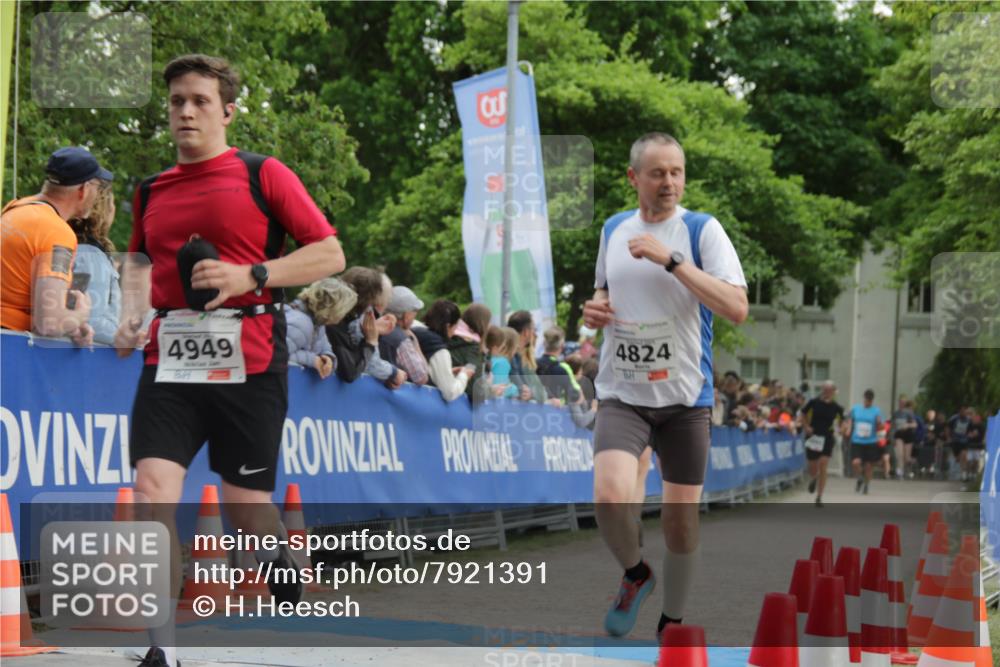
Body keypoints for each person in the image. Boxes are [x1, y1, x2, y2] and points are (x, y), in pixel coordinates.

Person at [115, 54, 345, 667]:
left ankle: (276, 558)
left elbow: (330, 254)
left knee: (246, 509)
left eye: (199, 101)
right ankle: (160, 649)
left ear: (227, 111)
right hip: (171, 358)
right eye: (176, 102)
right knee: (152, 487)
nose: (186, 111)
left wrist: (255, 273)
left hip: (250, 356)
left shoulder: (261, 173)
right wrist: (130, 316)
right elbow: (138, 265)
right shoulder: (152, 189)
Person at [582, 132, 748, 639]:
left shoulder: (703, 231)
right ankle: (636, 574)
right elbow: (600, 297)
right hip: (623, 393)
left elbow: (737, 307)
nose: (669, 182)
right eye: (657, 172)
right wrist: (592, 312)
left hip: (684, 400)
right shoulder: (613, 228)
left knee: (680, 524)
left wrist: (673, 262)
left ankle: (672, 621)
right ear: (634, 178)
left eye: (676, 171)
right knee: (610, 497)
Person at [1, 146, 112, 345]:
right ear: (83, 189)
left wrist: (69, 327)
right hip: (9, 345)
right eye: (97, 186)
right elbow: (48, 324)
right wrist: (80, 315)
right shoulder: (56, 232)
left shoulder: (15, 208)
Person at [67, 185, 121, 345]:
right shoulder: (90, 256)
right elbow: (93, 322)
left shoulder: (75, 247)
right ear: (105, 211)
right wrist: (127, 338)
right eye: (112, 204)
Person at [340, 267, 406, 390]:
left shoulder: (352, 317)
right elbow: (366, 365)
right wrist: (393, 373)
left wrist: (374, 328)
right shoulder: (354, 318)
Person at [285, 277, 356, 379]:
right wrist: (313, 360)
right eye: (345, 310)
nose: (344, 315)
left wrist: (328, 359)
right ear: (335, 309)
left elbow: (325, 348)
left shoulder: (318, 324)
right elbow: (275, 354)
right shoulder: (301, 323)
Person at [413, 299, 476, 402]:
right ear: (448, 326)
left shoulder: (415, 331)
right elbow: (450, 393)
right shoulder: (439, 350)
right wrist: (464, 375)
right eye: (455, 327)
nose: (455, 332)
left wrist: (448, 372)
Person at [800, 380, 845, 508]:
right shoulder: (813, 402)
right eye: (825, 390)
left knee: (823, 464)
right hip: (813, 436)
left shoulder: (837, 407)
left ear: (833, 392)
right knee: (812, 465)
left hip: (827, 437)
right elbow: (802, 414)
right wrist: (806, 427)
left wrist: (842, 428)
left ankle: (819, 496)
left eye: (829, 390)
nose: (827, 392)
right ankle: (814, 478)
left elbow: (844, 420)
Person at [382, 285, 429, 386]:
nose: (416, 315)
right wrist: (414, 341)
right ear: (406, 316)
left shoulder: (373, 325)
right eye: (415, 311)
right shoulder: (401, 340)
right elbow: (421, 378)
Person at [844, 389, 883, 495]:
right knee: (855, 463)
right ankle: (861, 477)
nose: (868, 402)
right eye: (866, 399)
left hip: (871, 441)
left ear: (872, 400)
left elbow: (880, 426)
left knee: (869, 466)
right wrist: (848, 429)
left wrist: (879, 423)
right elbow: (850, 420)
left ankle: (866, 485)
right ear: (864, 398)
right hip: (857, 440)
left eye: (870, 400)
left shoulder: (876, 411)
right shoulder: (856, 409)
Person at [448, 303, 491, 399]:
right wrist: (489, 389)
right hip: (458, 404)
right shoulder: (473, 349)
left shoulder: (447, 336)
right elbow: (476, 393)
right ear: (484, 324)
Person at [507, 310, 548, 403]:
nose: (535, 333)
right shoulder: (514, 357)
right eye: (534, 329)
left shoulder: (519, 357)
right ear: (526, 332)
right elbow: (537, 394)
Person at [536, 326, 583, 405]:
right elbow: (576, 397)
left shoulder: (533, 364)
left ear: (544, 343)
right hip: (556, 413)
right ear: (562, 346)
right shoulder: (563, 368)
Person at [485, 326, 519, 399]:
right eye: (516, 345)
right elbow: (500, 389)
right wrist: (515, 389)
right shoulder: (502, 363)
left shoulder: (491, 359)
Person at [891, 397, 918, 479]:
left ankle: (912, 463)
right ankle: (900, 474)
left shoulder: (909, 413)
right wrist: (891, 437)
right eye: (900, 402)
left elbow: (915, 424)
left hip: (908, 435)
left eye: (903, 403)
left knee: (907, 458)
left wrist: (907, 425)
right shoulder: (895, 413)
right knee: (900, 455)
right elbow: (893, 426)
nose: (901, 404)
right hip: (899, 434)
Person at [946, 406, 973, 482]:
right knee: (957, 458)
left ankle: (963, 473)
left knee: (964, 455)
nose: (963, 413)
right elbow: (948, 428)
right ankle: (955, 472)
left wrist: (970, 434)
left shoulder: (968, 420)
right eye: (962, 411)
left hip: (964, 441)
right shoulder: (954, 419)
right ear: (959, 411)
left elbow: (970, 430)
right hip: (955, 441)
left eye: (964, 411)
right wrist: (948, 437)